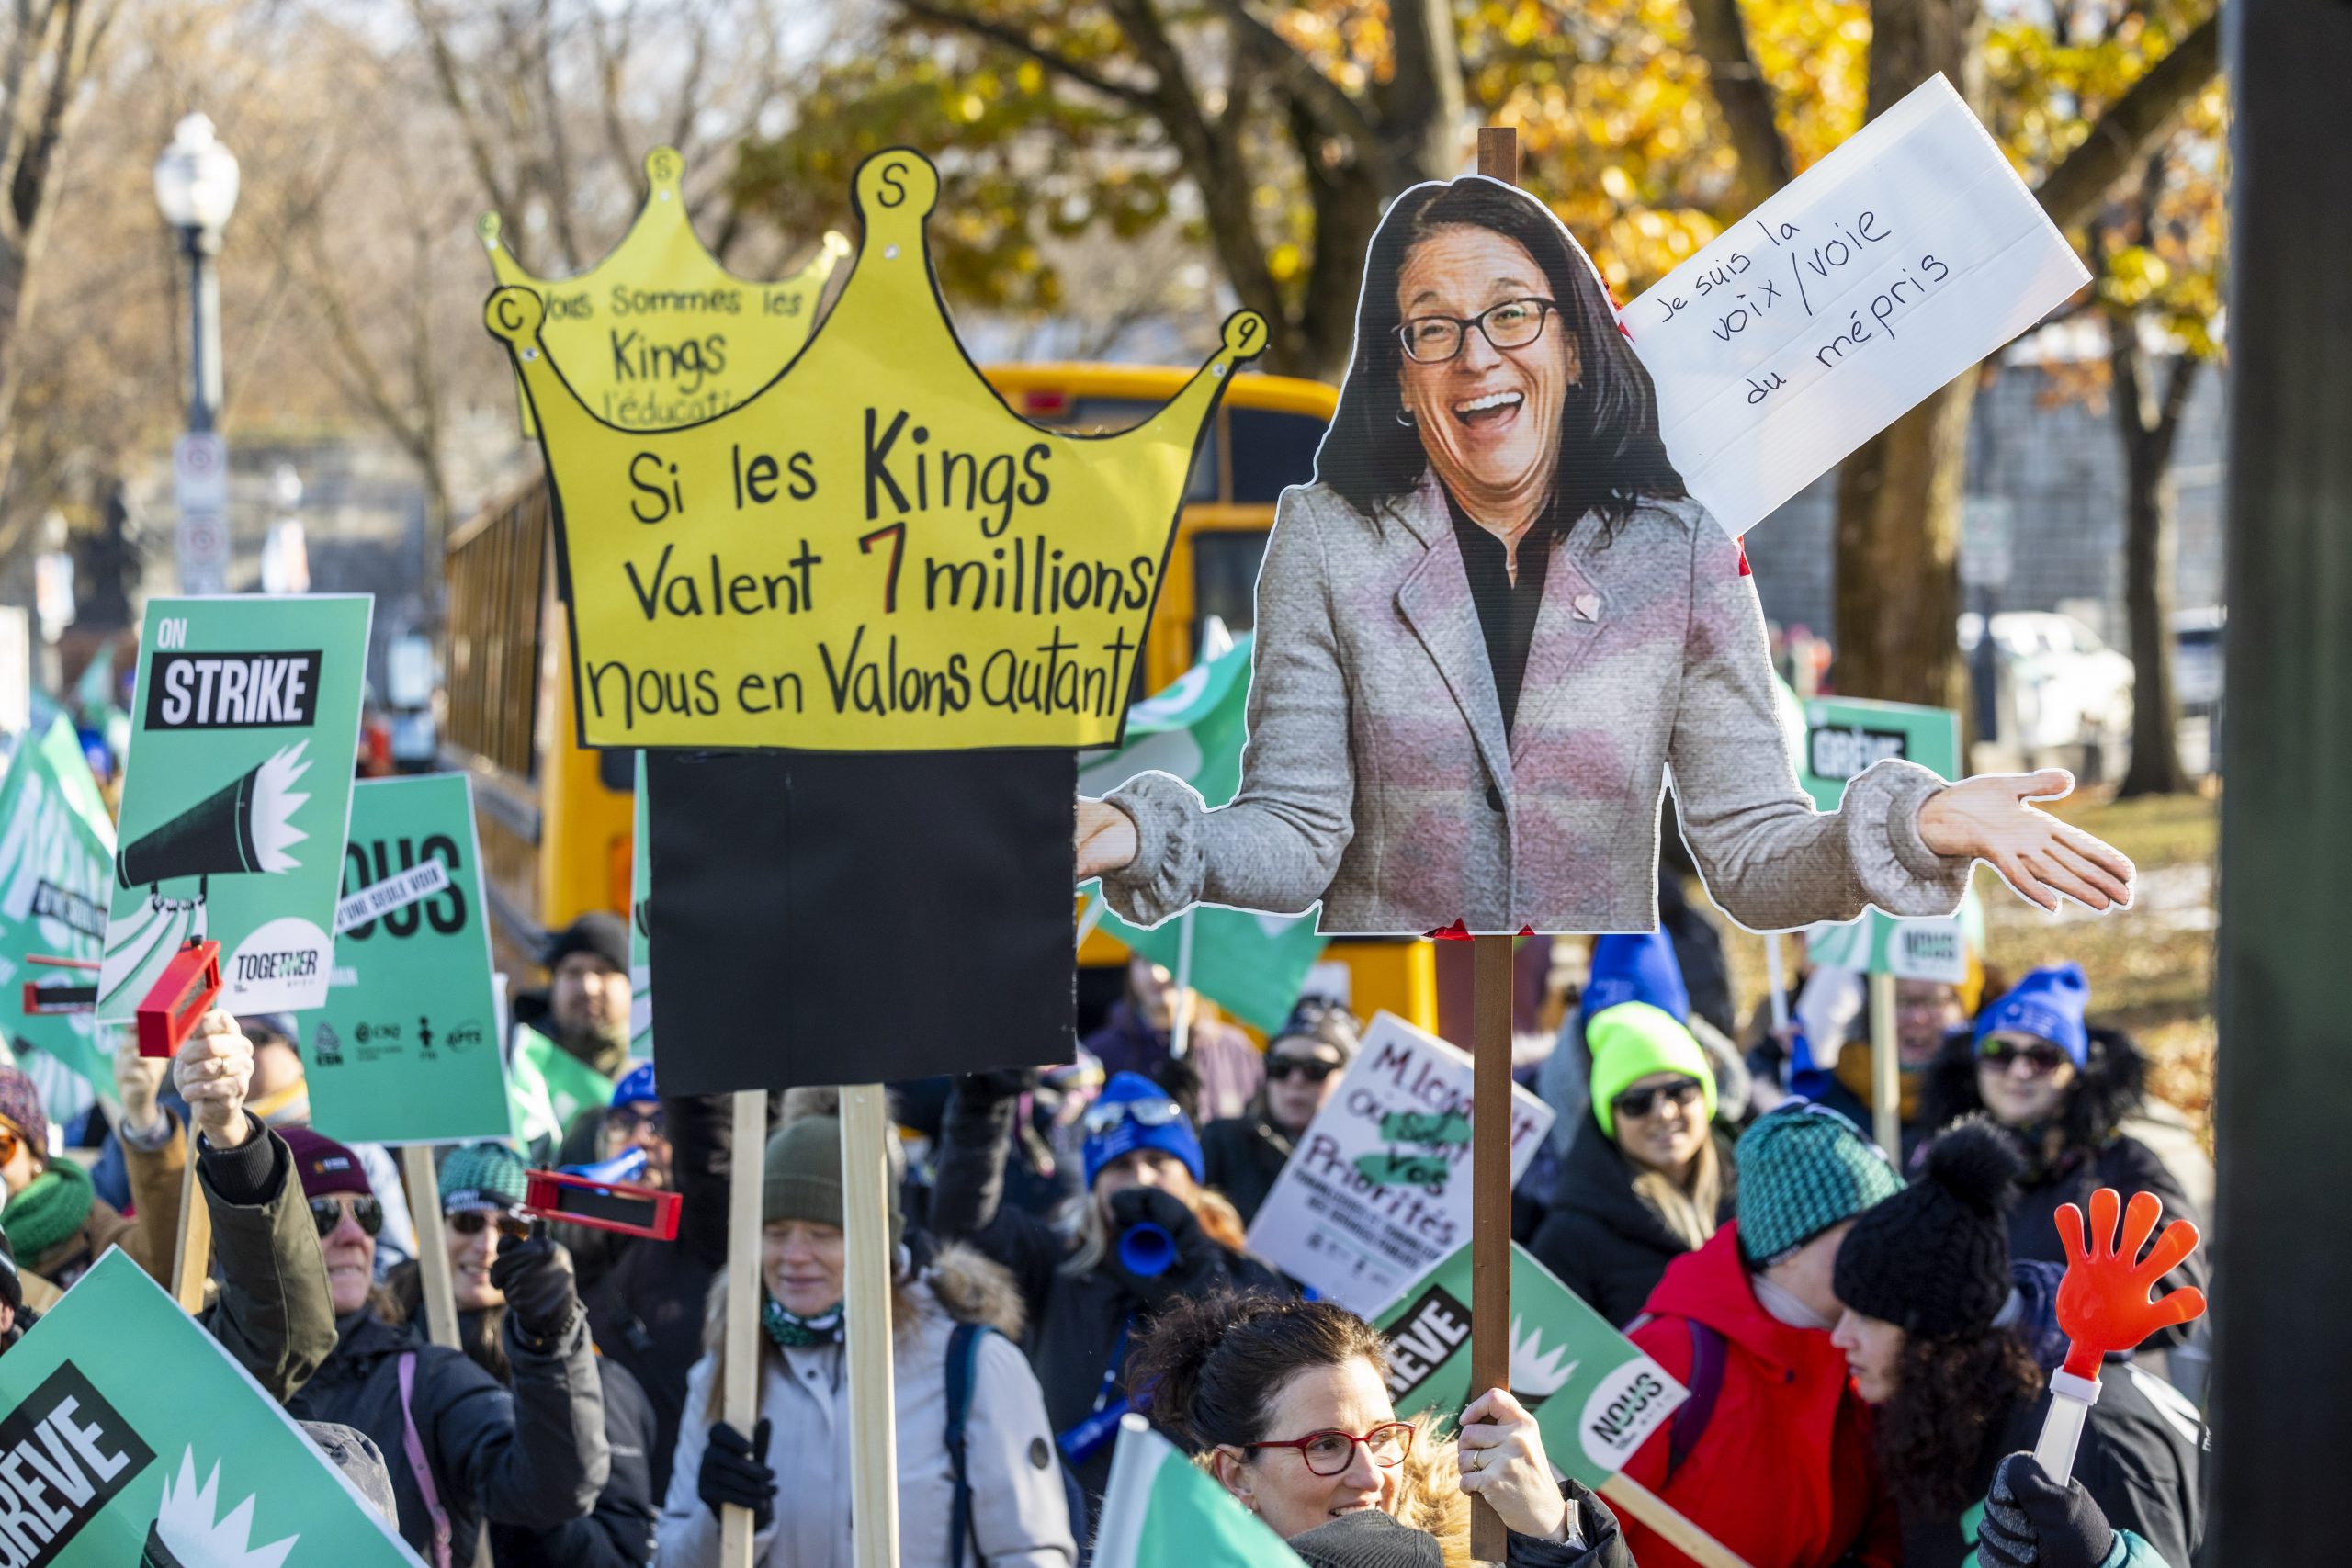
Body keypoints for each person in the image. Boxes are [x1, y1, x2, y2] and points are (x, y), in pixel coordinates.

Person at [1074, 172, 2134, 937]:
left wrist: (1916, 824)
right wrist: (1140, 833)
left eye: (1511, 315)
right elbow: (1296, 832)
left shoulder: (1680, 552)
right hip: (1399, 1015)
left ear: (1573, 348)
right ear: (1399, 377)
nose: (1475, 355)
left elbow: (1752, 852)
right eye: (1432, 328)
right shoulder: (1324, 537)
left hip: (1592, 1013)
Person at [658, 1113, 1074, 1568]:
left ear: (877, 1242)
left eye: (823, 1235)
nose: (794, 1256)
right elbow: (672, 1557)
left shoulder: (972, 1365)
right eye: (775, 1233)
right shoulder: (729, 1372)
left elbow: (1031, 1552)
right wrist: (721, 1523)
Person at [1830, 1118, 2204, 1567]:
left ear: (1938, 1337)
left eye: (1868, 1316)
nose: (1839, 1336)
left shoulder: (2094, 1439)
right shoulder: (1954, 1412)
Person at [929, 1068, 1289, 1517]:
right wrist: (980, 1111)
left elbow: (1265, 1372)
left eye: (1158, 1162)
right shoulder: (1058, 1263)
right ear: (1095, 1187)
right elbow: (964, 1230)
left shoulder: (1240, 1268)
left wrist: (1195, 1260)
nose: (1141, 1178)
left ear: (1192, 1180)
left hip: (1195, 1517)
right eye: (1120, 1167)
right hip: (1071, 1516)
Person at [282, 1126, 609, 1565]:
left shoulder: (425, 1375)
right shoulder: (212, 1358)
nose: (352, 1235)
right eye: (322, 1214)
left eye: (365, 1212)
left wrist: (550, 1338)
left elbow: (553, 1488)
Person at [1130, 1292, 1631, 1565]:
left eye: (1381, 1437)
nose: (1371, 1476)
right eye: (1325, 1445)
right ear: (1237, 1476)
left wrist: (1554, 1536)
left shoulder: (1485, 1553)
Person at [1616, 1101, 1905, 1568]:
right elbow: (1573, 1533)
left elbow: (1890, 1532)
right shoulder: (1670, 1356)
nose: (1887, 1251)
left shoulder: (1866, 1352)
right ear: (1789, 1249)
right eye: (1865, 1232)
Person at [388, 1142, 657, 1568]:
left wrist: (529, 1487)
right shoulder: (383, 1349)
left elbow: (620, 1556)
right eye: (467, 1221)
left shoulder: (588, 1376)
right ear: (434, 1228)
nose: (487, 1244)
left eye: (511, 1227)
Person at [1917, 964, 2206, 1350]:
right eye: (1999, 1053)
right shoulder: (1936, 1160)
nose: (2019, 1071)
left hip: (2072, 1380)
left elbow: (2172, 1287)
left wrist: (2043, 1313)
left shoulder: (2125, 1166)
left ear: (2077, 1072)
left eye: (2043, 1057)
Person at [111, 1013, 339, 1403]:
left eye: (255, 1036)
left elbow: (278, 1338)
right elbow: (172, 1268)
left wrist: (230, 1133)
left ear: (296, 1052)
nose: (224, 1047)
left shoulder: (340, 1132)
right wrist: (144, 1117)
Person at [578, 1085, 741, 1503]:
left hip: (677, 1500)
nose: (641, 1139)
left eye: (661, 1124)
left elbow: (707, 1150)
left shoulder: (708, 1240)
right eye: (624, 1122)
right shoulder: (578, 1244)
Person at [1531, 1001, 1736, 1325]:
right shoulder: (1570, 1238)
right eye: (1636, 1102)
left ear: (1706, 1095)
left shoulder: (1760, 1197)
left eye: (1680, 1091)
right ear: (1610, 1118)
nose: (1664, 1113)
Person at [0, 1057, 167, 1290]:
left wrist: (145, 1121)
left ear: (34, 1154)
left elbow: (160, 1263)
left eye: (2, 1148)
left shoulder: (84, 1220)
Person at [1202, 998, 1360, 1224]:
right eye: (1280, 1066)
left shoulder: (1371, 1161)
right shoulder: (1222, 1142)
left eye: (1315, 1069)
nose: (1296, 1080)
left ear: (1350, 1075)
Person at [1082, 954, 1263, 1124]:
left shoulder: (1235, 1050)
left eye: (1169, 958)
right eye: (1145, 960)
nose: (1157, 975)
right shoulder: (1100, 1054)